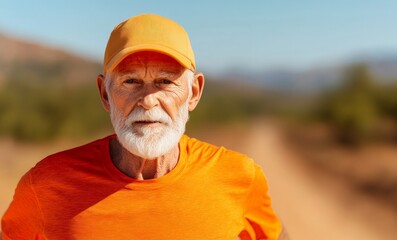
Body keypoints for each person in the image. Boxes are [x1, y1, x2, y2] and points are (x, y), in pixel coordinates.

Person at [1, 14, 285, 239]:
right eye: (130, 81)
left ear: (194, 93)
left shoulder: (239, 177)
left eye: (165, 81)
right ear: (105, 94)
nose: (148, 101)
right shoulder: (45, 185)